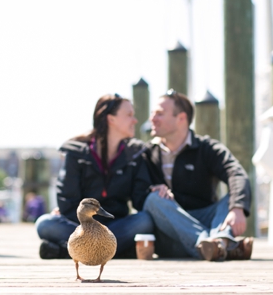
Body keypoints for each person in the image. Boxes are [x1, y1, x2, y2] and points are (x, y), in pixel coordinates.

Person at [35, 94, 154, 259]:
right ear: (111, 119)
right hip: (82, 227)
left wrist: (157, 187)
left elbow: (140, 200)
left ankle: (67, 251)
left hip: (115, 225)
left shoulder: (135, 154)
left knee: (144, 221)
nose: (135, 120)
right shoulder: (76, 152)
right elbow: (68, 201)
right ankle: (116, 250)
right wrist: (84, 225)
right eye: (129, 115)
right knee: (45, 224)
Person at [141, 89, 255, 261]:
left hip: (207, 219)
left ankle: (213, 244)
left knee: (232, 197)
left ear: (181, 118)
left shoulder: (206, 148)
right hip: (171, 230)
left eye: (159, 114)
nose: (152, 119)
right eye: (152, 113)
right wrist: (152, 189)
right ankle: (220, 244)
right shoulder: (147, 154)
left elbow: (236, 174)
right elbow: (138, 191)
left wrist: (237, 207)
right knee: (153, 199)